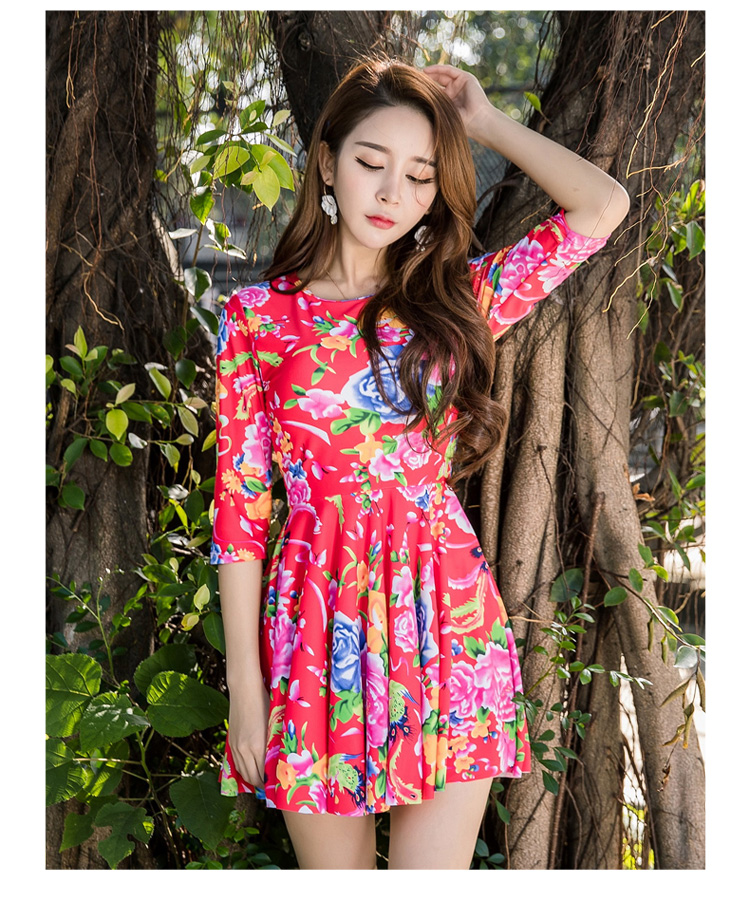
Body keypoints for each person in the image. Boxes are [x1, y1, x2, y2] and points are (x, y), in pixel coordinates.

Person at [210, 55, 629, 870]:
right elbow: (239, 515)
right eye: (371, 163)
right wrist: (246, 689)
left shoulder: (455, 302)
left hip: (447, 625)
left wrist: (484, 121)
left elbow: (602, 206)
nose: (391, 193)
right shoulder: (256, 319)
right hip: (315, 632)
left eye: (419, 175)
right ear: (326, 163)